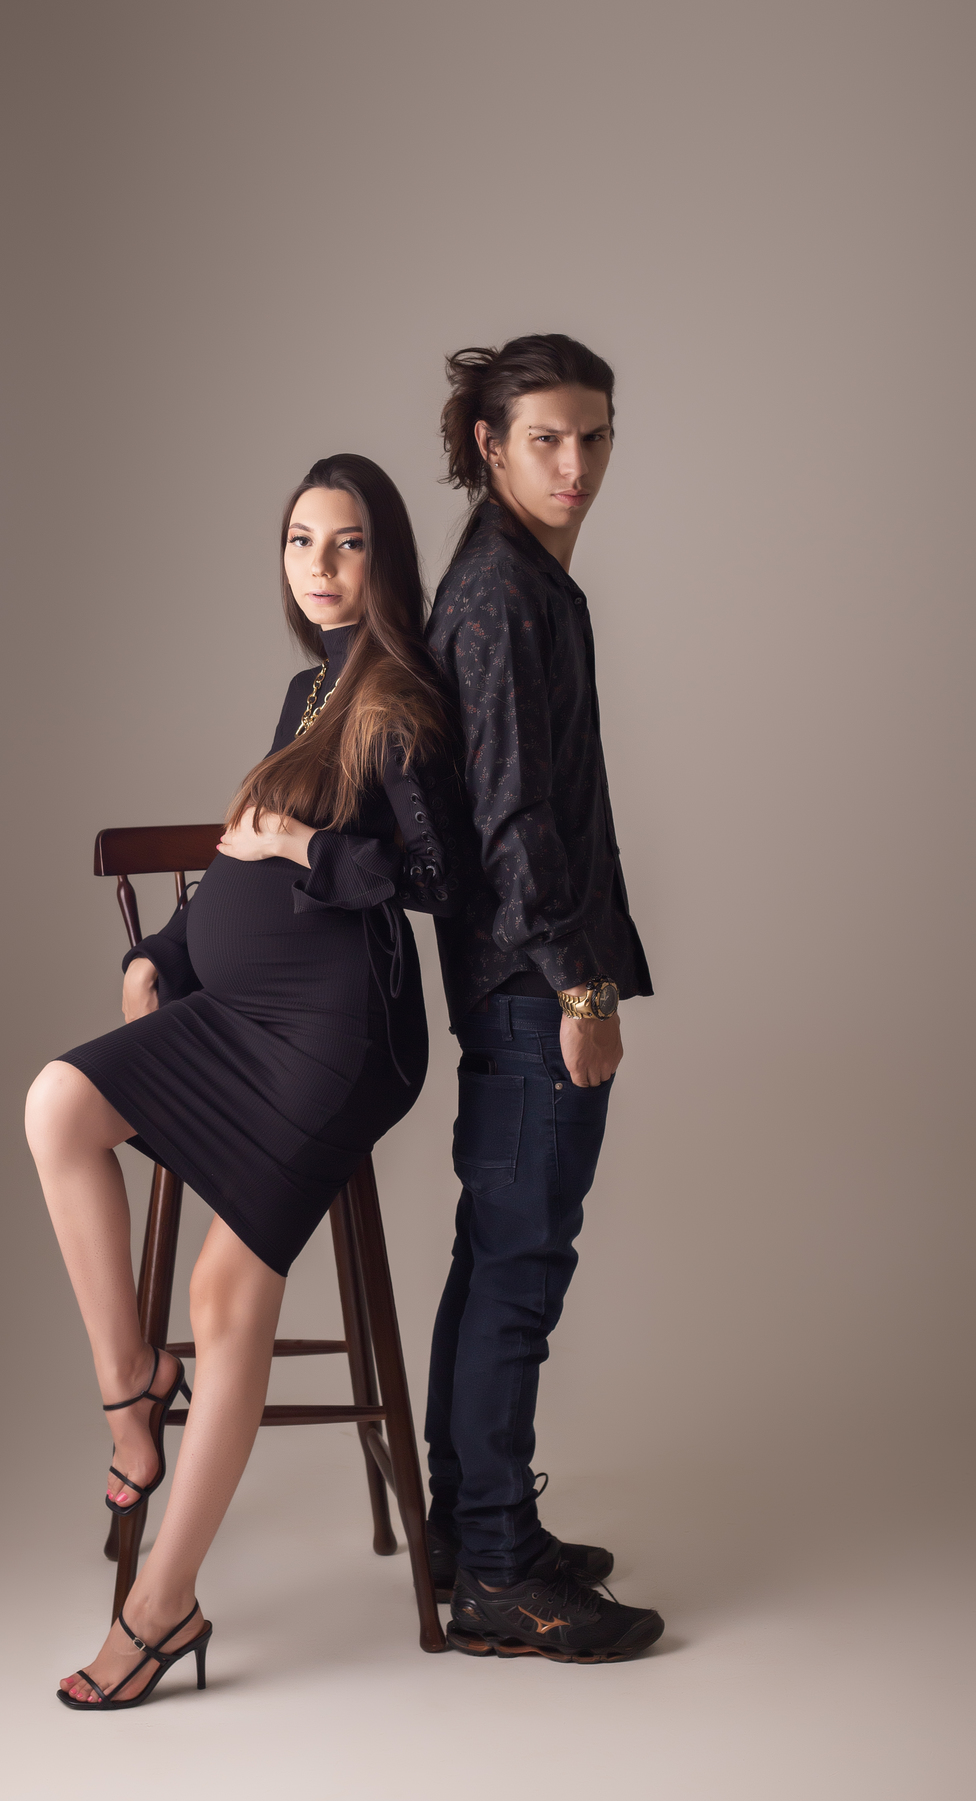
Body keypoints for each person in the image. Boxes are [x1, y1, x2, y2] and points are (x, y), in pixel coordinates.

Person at [26, 453, 461, 1709]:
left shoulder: (402, 700)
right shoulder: (307, 687)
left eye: (347, 543)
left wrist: (310, 845)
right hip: (234, 1014)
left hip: (338, 1036)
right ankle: (132, 1394)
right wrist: (160, 955)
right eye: (299, 542)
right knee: (59, 1104)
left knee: (222, 1291)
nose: (319, 567)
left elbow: (435, 880)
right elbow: (236, 857)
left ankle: (161, 1607)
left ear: (385, 558)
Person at [423, 335, 665, 1663]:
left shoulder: (521, 579)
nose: (577, 464)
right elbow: (513, 818)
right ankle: (499, 1573)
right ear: (490, 446)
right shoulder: (503, 595)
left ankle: (473, 1527)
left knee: (496, 1255)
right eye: (547, 440)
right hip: (534, 980)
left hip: (522, 972)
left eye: (595, 435)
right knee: (519, 1269)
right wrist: (583, 986)